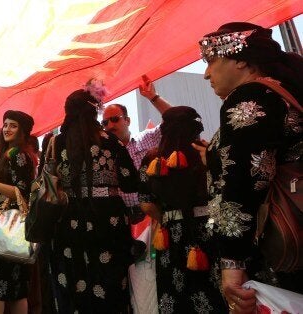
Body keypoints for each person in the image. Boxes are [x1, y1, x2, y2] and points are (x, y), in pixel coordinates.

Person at [192, 22, 303, 314]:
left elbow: (242, 182)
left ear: (241, 59)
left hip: (273, 253)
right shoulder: (282, 94)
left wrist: (231, 262)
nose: (206, 74)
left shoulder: (251, 96)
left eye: (212, 61)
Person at [44, 89, 138, 313]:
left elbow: (46, 185)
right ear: (93, 111)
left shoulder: (56, 142)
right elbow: (130, 182)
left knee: (73, 282)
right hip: (108, 221)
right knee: (111, 283)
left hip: (68, 221)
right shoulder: (110, 140)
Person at [138, 106, 226, 313]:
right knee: (213, 293)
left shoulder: (153, 159)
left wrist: (168, 218)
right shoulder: (208, 152)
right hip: (209, 231)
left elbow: (146, 203)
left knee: (176, 295)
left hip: (171, 237)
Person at [101, 76, 172, 313]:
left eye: (114, 119)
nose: (110, 126)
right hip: (120, 225)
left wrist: (153, 97)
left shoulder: (147, 138)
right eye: (105, 123)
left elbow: (177, 122)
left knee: (152, 280)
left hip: (152, 220)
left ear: (127, 120)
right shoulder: (101, 152)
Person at [0, 110, 37, 314]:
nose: (7, 129)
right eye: (5, 124)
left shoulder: (20, 155)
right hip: (13, 226)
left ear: (22, 131)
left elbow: (21, 191)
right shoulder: (11, 154)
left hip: (7, 224)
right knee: (16, 287)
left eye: (13, 125)